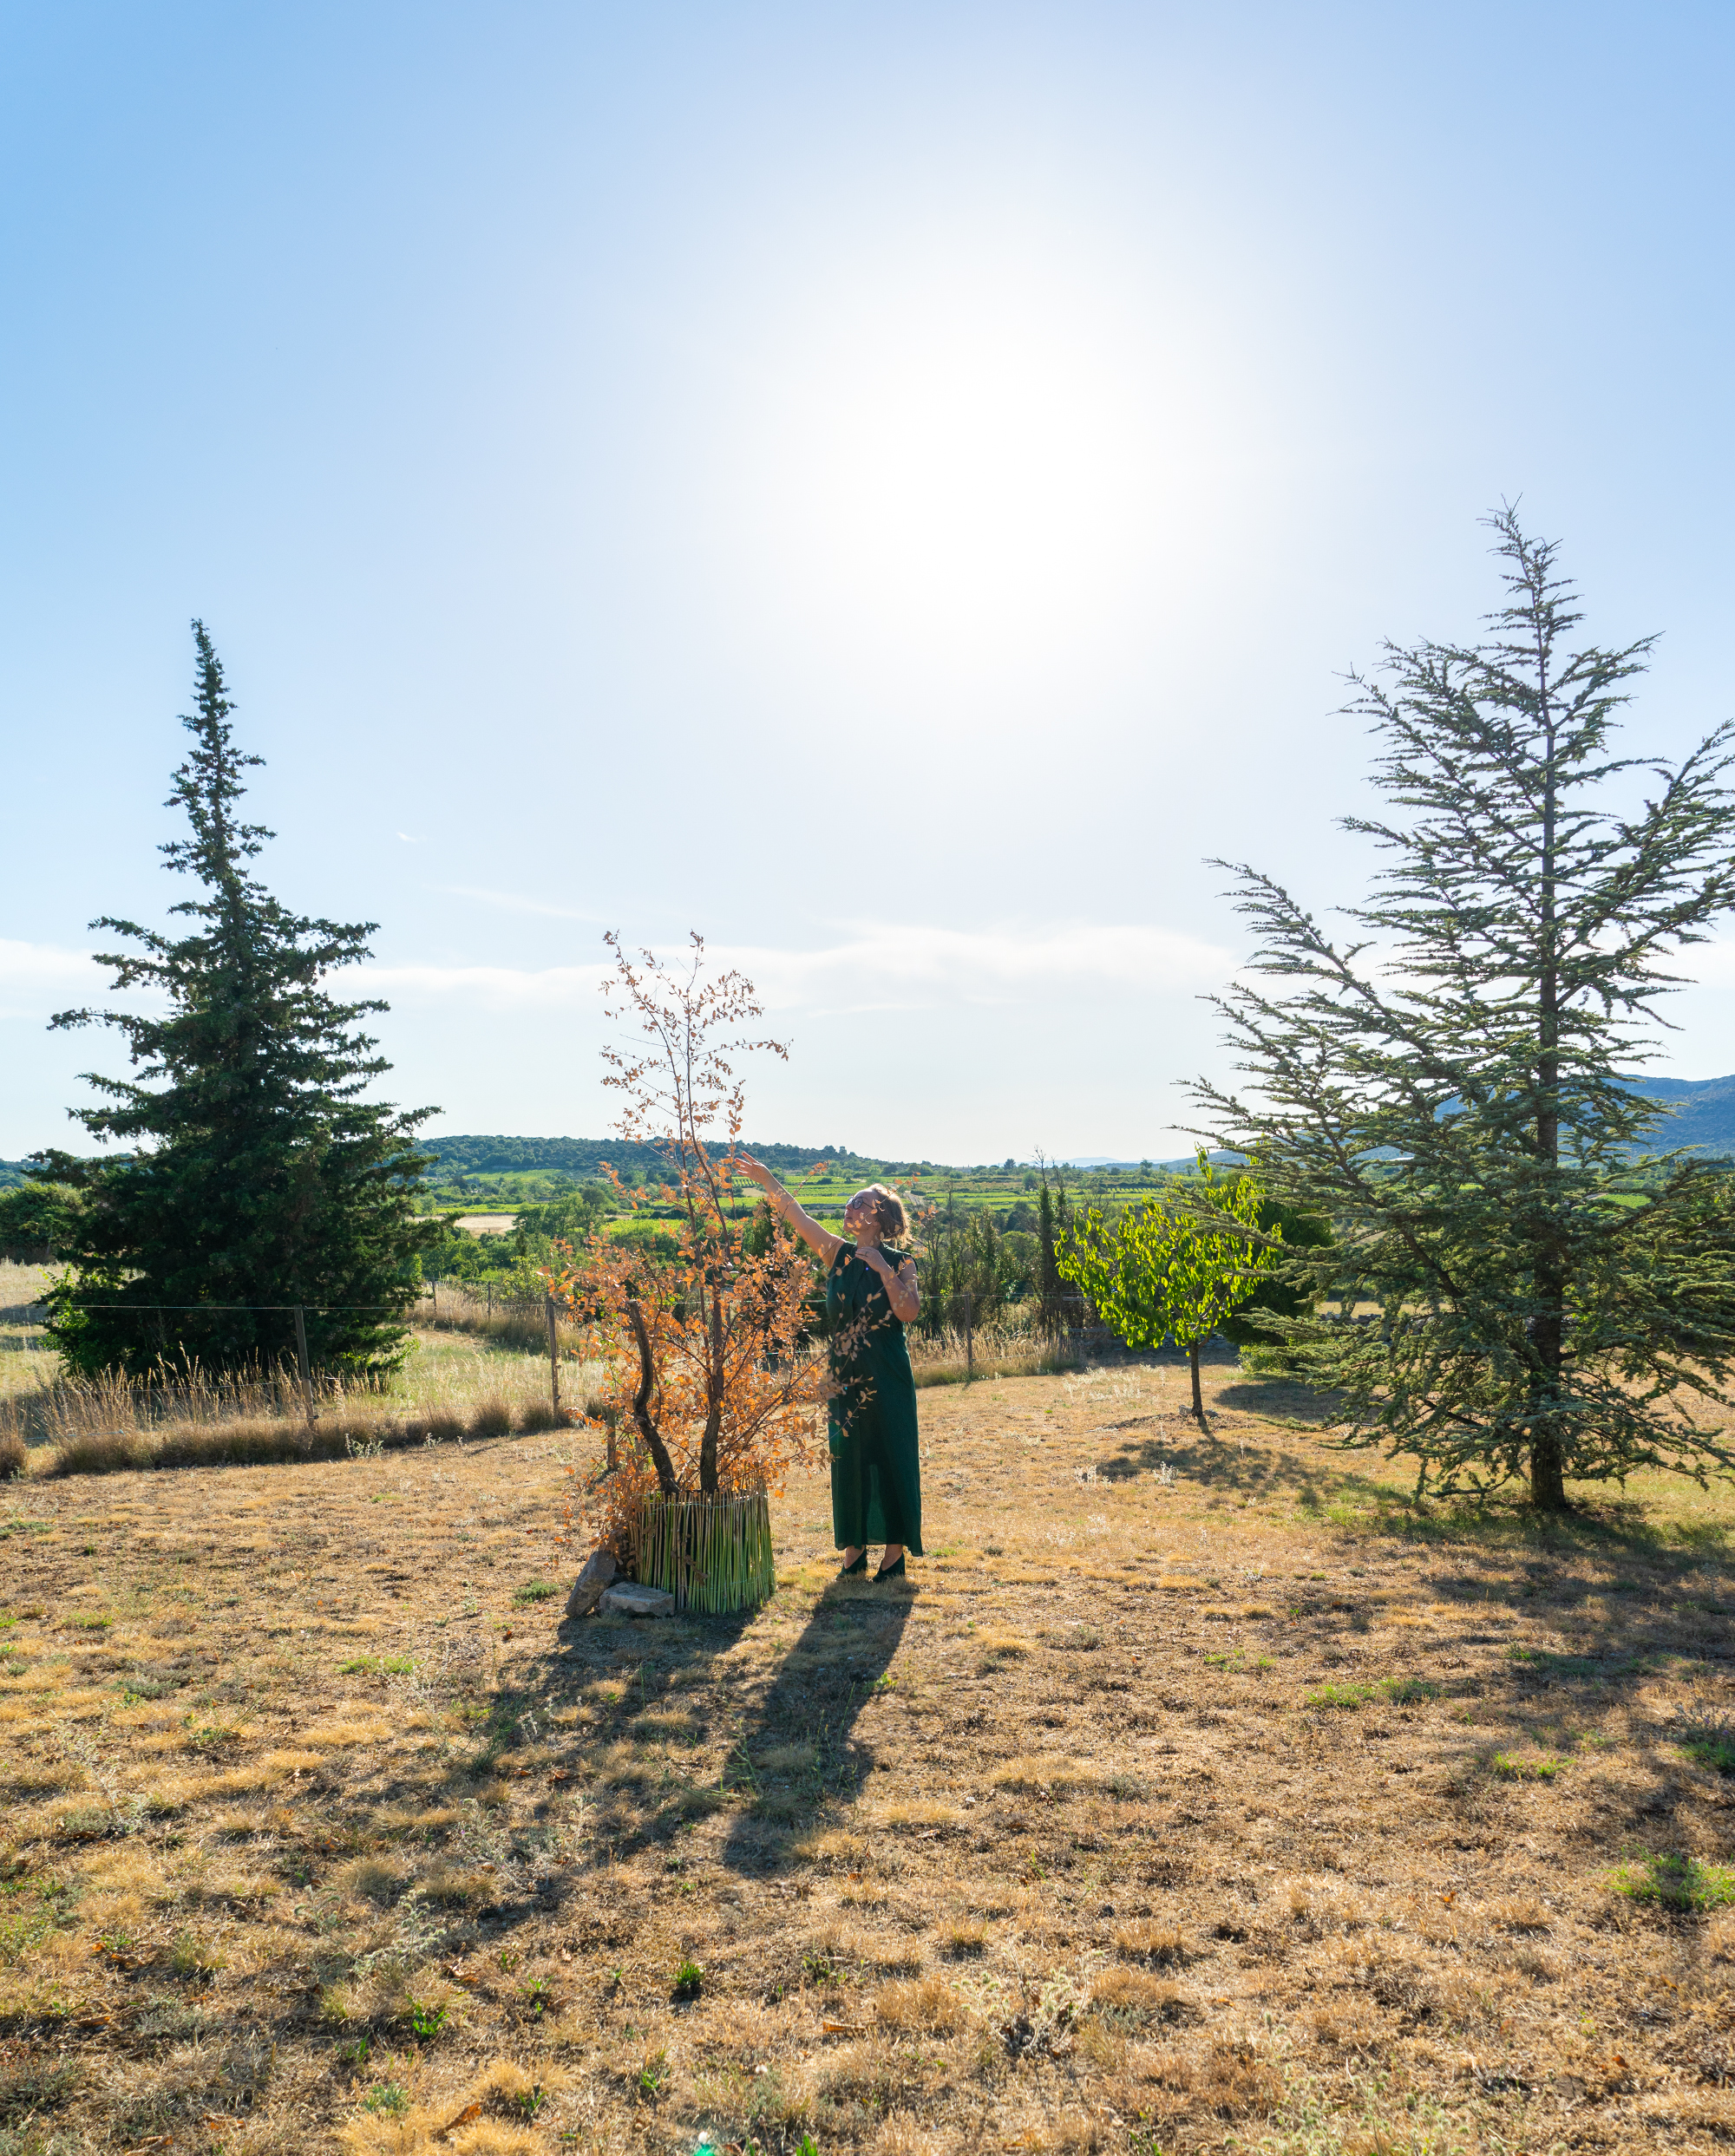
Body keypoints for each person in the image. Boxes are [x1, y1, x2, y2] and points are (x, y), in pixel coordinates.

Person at [737, 1155, 922, 1579]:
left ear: (881, 1216)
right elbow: (796, 1215)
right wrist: (768, 1179)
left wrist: (882, 1269)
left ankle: (894, 1555)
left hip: (888, 1374)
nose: (849, 1208)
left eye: (859, 1203)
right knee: (849, 1457)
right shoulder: (836, 1254)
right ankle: (853, 1553)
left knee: (892, 1456)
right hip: (844, 1377)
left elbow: (908, 1313)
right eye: (849, 1203)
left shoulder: (903, 1262)